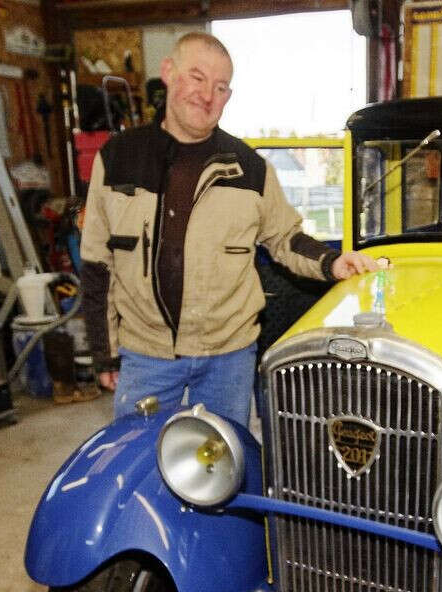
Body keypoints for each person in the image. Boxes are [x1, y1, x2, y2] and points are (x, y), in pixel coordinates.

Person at [78, 32, 377, 426]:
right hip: (145, 354)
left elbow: (285, 238)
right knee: (136, 461)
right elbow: (97, 261)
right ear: (168, 72)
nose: (207, 95)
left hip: (229, 356)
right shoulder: (118, 157)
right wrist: (105, 352)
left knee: (221, 465)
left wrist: (332, 262)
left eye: (220, 87)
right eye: (197, 78)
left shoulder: (250, 168)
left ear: (228, 96)